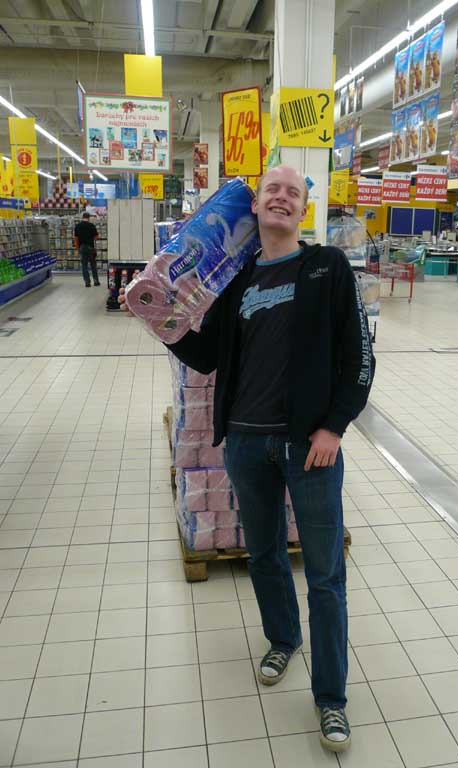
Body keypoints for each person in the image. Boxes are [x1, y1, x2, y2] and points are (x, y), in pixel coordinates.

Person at [122, 165, 375, 752]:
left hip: (310, 449)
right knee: (263, 554)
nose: (281, 198)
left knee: (325, 576)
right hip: (244, 444)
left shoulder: (327, 267)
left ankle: (331, 699)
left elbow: (359, 356)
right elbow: (207, 355)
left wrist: (333, 427)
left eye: (293, 192)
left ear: (303, 209)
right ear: (256, 206)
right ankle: (283, 639)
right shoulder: (235, 279)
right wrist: (156, 317)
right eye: (272, 190)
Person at [74, 212, 100, 287]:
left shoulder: (78, 226)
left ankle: (87, 282)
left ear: (82, 217)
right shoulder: (91, 225)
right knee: (93, 265)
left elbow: (76, 238)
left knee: (84, 266)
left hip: (82, 247)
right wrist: (91, 237)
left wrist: (77, 248)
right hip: (90, 247)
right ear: (88, 218)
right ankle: (96, 281)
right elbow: (96, 237)